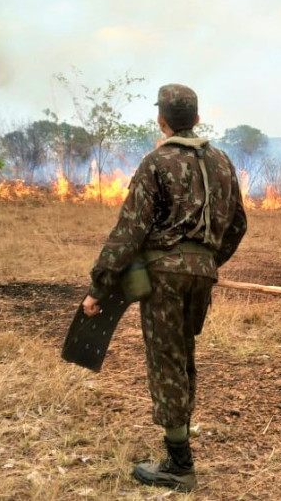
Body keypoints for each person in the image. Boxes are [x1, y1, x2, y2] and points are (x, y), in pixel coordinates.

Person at [81, 84, 247, 492]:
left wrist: (99, 288)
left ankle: (178, 465)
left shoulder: (157, 161)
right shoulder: (223, 161)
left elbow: (129, 231)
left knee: (167, 359)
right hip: (201, 275)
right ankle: (179, 447)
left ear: (162, 119)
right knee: (183, 353)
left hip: (164, 277)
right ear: (196, 115)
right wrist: (206, 262)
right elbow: (239, 224)